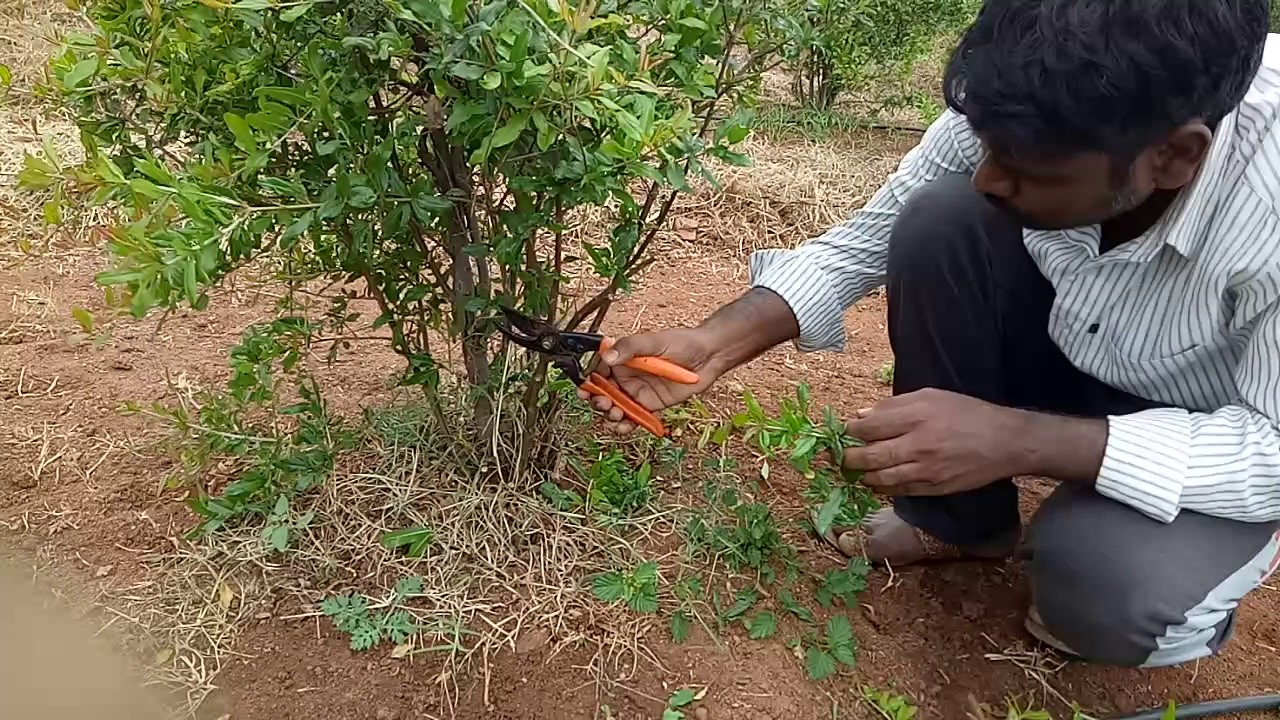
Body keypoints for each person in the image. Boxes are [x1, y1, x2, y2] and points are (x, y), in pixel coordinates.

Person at [583, 0, 1280, 669]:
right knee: (940, 217)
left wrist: (1023, 438)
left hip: (1221, 421)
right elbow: (867, 240)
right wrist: (714, 342)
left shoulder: (1265, 193)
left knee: (1106, 592)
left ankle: (1195, 567)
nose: (988, 174)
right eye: (986, 144)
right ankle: (964, 522)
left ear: (1175, 156)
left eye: (1027, 168)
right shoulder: (1029, 97)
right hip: (1077, 343)